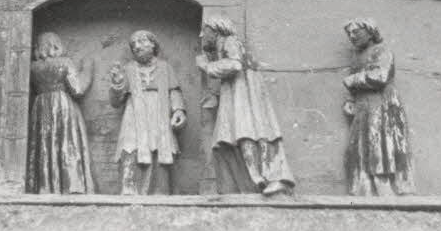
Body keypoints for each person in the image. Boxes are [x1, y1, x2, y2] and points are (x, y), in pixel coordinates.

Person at [197, 17, 294, 196]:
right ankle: (253, 178)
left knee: (249, 130)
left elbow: (234, 64)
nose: (202, 35)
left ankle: (266, 176)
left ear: (216, 30)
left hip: (244, 90)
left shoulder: (230, 41)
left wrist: (207, 66)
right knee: (237, 134)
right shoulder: (221, 47)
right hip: (236, 91)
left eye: (206, 30)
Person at [109, 30, 186, 195]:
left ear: (153, 44)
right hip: (134, 115)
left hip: (159, 112)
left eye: (142, 41)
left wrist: (178, 110)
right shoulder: (128, 69)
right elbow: (116, 102)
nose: (137, 46)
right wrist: (117, 84)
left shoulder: (165, 67)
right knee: (130, 149)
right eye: (133, 45)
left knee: (160, 150)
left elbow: (174, 91)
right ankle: (129, 191)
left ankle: (159, 193)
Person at [341, 18, 412, 196]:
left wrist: (353, 80)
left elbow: (381, 76)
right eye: (349, 33)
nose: (351, 36)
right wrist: (349, 101)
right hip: (363, 106)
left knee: (380, 145)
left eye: (355, 32)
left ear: (369, 31)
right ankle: (364, 186)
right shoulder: (357, 57)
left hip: (382, 104)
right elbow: (352, 86)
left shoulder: (382, 50)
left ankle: (384, 185)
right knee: (358, 147)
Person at [26, 32, 96, 194]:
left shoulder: (33, 67)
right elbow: (78, 89)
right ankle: (71, 186)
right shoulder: (64, 63)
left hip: (40, 106)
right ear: (56, 46)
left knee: (45, 146)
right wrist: (87, 69)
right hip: (62, 105)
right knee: (67, 143)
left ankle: (46, 186)